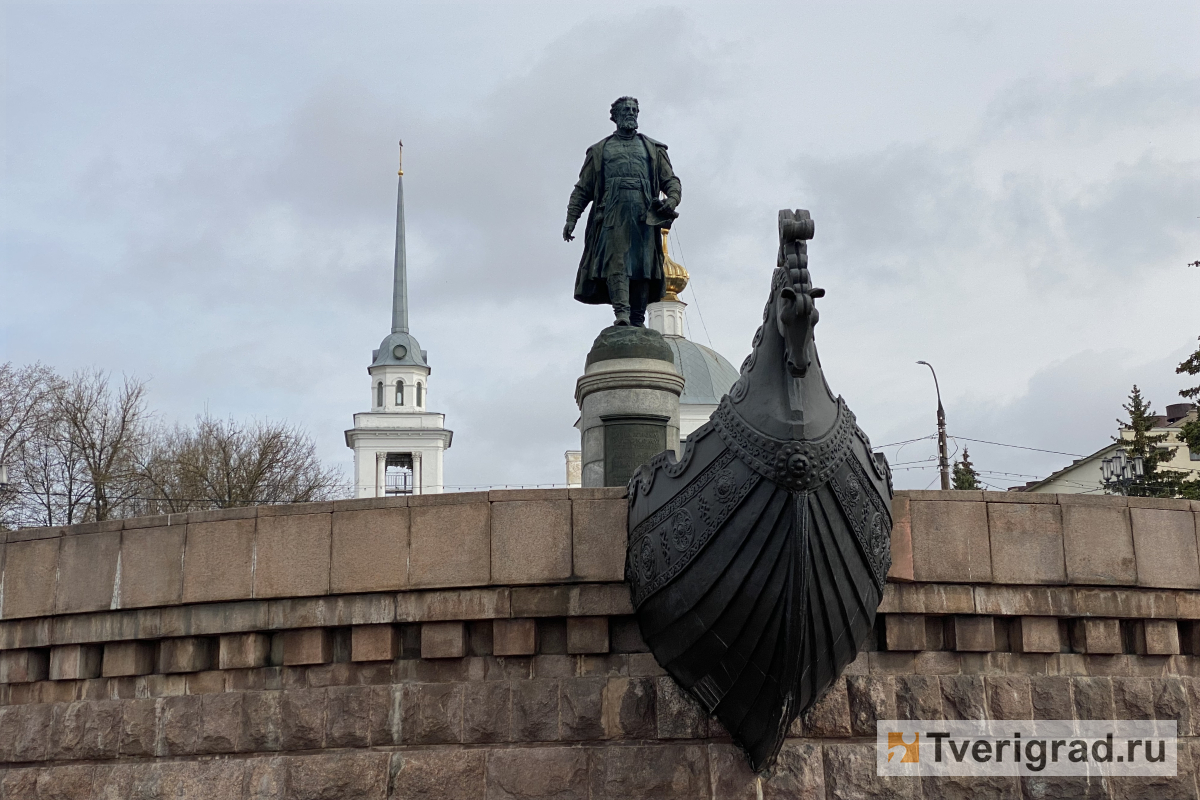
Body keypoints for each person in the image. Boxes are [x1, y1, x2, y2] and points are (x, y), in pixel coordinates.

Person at [563, 97, 682, 327]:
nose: (630, 113)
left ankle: (637, 318)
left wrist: (673, 199)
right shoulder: (601, 150)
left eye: (634, 110)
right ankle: (622, 314)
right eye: (625, 110)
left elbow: (671, 181)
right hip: (612, 213)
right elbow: (582, 188)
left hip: (644, 213)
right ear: (615, 116)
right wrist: (571, 218)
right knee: (617, 262)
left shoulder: (653, 149)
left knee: (643, 265)